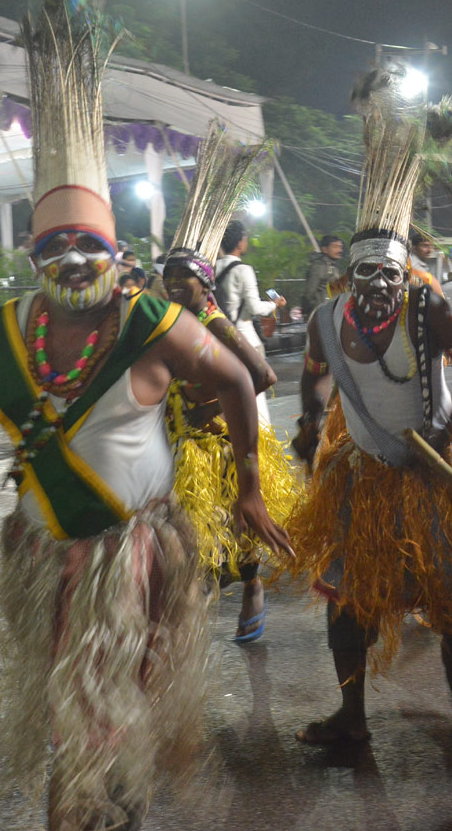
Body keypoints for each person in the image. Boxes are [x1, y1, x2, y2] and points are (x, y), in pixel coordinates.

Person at [0, 0, 292, 831]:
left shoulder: (155, 326)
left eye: (89, 245)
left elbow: (242, 383)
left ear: (117, 252)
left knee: (104, 722)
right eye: (53, 246)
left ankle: (103, 813)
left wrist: (249, 484)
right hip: (45, 554)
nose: (71, 259)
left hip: (134, 558)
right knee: (79, 726)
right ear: (34, 257)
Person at [286, 64, 452, 745]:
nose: (378, 283)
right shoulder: (324, 319)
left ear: (405, 273)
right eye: (366, 272)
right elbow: (314, 375)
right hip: (364, 472)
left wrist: (449, 428)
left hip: (431, 470)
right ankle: (351, 719)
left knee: (446, 581)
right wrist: (311, 420)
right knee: (347, 601)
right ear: (348, 274)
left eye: (390, 272)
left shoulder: (426, 305)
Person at [161, 247, 300, 641]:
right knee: (199, 533)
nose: (171, 283)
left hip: (221, 442)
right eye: (167, 275)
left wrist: (207, 409)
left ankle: (251, 588)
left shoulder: (214, 322)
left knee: (237, 523)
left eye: (181, 276)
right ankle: (199, 600)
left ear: (205, 283)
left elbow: (262, 375)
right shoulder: (173, 321)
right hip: (184, 445)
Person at [214, 220, 286, 422]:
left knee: (228, 392)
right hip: (244, 340)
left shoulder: (212, 268)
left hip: (219, 339)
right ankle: (259, 441)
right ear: (240, 243)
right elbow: (254, 308)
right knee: (255, 395)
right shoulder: (243, 270)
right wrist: (275, 305)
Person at [302, 234, 344, 318]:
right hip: (321, 312)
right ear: (325, 249)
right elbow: (310, 292)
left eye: (340, 247)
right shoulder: (319, 266)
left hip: (331, 311)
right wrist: (308, 311)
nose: (339, 250)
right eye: (335, 247)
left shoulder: (332, 266)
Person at [407, 228, 444, 296]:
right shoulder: (412, 267)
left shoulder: (420, 266)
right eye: (425, 246)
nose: (429, 250)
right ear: (414, 248)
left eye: (431, 246)